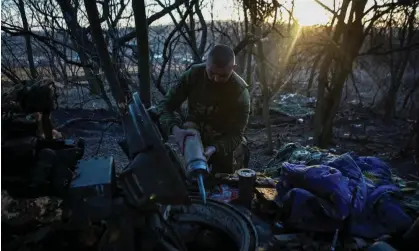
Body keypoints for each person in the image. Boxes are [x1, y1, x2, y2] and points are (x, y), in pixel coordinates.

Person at [158, 44, 250, 174]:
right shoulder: (194, 75)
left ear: (233, 68)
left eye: (223, 75)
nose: (216, 79)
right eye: (211, 73)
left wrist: (214, 148)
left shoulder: (240, 92)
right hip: (193, 134)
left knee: (224, 182)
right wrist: (175, 130)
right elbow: (164, 105)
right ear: (206, 62)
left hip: (224, 141)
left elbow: (236, 135)